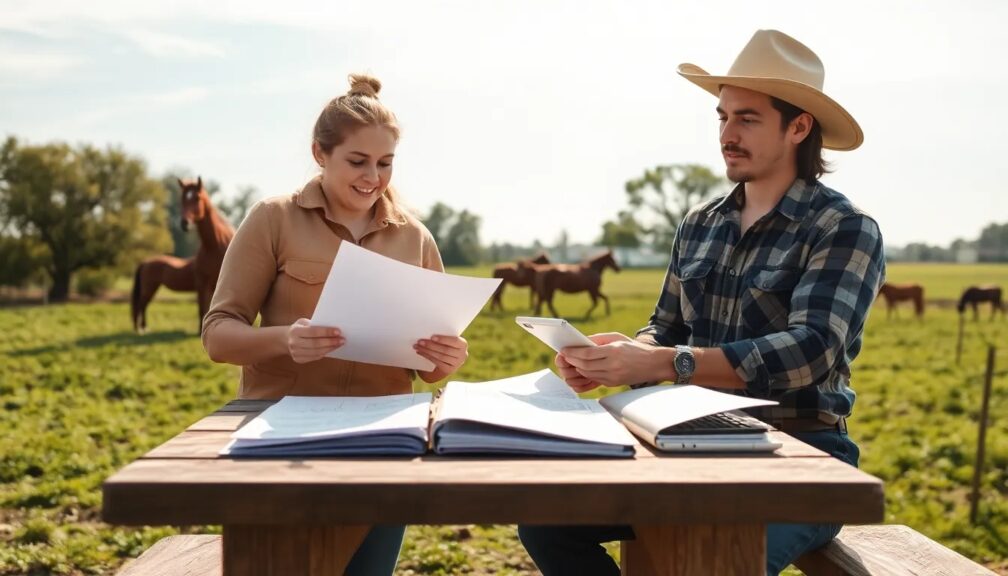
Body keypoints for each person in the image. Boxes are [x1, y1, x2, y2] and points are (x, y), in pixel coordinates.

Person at [518, 29, 885, 576]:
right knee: (545, 522)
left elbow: (813, 350)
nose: (727, 134)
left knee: (714, 563)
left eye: (747, 118)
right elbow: (663, 328)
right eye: (722, 117)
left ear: (799, 126)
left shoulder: (844, 228)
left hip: (804, 455)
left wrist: (667, 362)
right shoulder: (699, 224)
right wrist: (621, 354)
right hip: (694, 441)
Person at [201, 74, 469, 576]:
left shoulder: (416, 238)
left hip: (384, 439)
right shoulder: (272, 218)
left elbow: (431, 368)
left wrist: (446, 359)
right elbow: (217, 334)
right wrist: (286, 340)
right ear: (320, 154)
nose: (373, 176)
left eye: (385, 163)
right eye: (358, 161)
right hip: (279, 434)